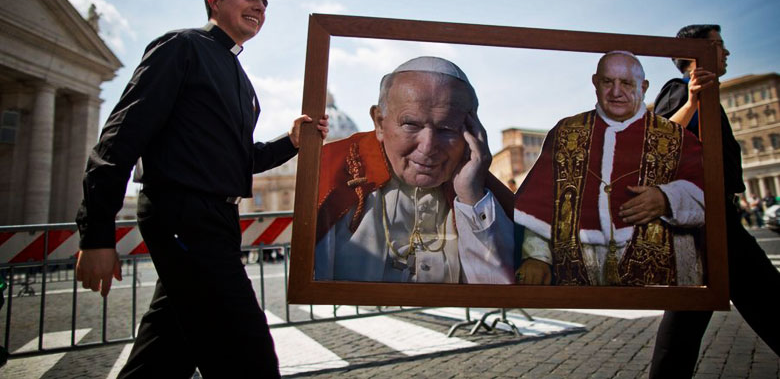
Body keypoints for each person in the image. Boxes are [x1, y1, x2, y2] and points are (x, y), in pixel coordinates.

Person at [74, 0, 328, 378]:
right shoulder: (181, 47)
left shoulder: (242, 81)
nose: (259, 7)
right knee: (248, 355)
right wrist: (97, 232)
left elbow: (238, 160)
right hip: (184, 215)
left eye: (264, 2)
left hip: (219, 219)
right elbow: (120, 139)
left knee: (162, 355)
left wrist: (290, 142)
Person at [649, 24, 780, 377]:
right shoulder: (680, 90)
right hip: (705, 223)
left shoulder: (707, 93)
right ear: (696, 54)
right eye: (719, 45)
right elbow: (656, 142)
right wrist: (691, 102)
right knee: (767, 303)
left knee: (686, 323)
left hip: (711, 221)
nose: (727, 52)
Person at [314, 56, 515, 284]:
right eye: (411, 124)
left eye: (447, 128)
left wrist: (471, 198)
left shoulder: (476, 189)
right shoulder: (335, 175)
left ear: (473, 132)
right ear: (380, 123)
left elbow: (496, 289)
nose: (428, 147)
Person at [514, 51, 705, 286]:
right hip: (579, 273)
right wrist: (536, 256)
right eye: (607, 82)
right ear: (596, 83)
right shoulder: (565, 133)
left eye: (626, 83)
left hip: (659, 274)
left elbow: (707, 192)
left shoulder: (677, 137)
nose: (616, 92)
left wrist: (668, 199)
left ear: (643, 86)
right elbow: (541, 204)